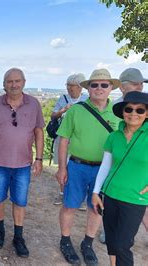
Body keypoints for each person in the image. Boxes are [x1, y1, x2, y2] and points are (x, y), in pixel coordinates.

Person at [0, 68, 45, 258]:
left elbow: (39, 131)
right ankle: (0, 229)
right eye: (9, 81)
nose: (13, 85)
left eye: (17, 81)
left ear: (23, 82)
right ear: (4, 84)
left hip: (23, 163)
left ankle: (19, 236)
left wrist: (39, 158)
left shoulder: (34, 104)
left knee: (20, 200)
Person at [56, 69, 121, 265]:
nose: (99, 88)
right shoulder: (76, 110)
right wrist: (61, 168)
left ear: (110, 88)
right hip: (77, 166)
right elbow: (64, 140)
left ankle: (87, 243)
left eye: (104, 84)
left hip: (104, 170)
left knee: (96, 208)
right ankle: (65, 241)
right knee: (70, 205)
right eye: (94, 84)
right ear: (89, 88)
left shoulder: (118, 113)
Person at [92, 91, 148, 266]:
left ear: (147, 114)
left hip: (134, 199)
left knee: (122, 245)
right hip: (110, 196)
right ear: (123, 112)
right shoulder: (114, 137)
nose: (133, 113)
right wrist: (96, 192)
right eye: (129, 109)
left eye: (140, 110)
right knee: (112, 241)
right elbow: (105, 166)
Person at [99, 68, 147, 244]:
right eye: (132, 86)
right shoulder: (117, 106)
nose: (139, 87)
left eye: (139, 84)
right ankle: (111, 233)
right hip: (117, 161)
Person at [51, 74, 88, 206]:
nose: (69, 88)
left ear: (79, 87)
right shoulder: (63, 99)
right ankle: (63, 194)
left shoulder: (86, 99)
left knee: (79, 168)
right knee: (63, 166)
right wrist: (63, 110)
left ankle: (80, 198)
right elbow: (53, 115)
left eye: (71, 86)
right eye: (67, 85)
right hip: (63, 137)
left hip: (81, 139)